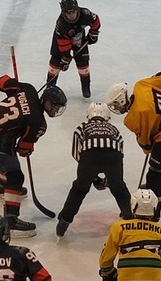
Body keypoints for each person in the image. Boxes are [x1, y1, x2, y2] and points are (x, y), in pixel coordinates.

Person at [0, 74, 68, 236]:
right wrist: (28, 149)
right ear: (45, 101)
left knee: (4, 162)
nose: (54, 110)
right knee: (16, 176)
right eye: (53, 106)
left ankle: (2, 187)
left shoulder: (28, 89)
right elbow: (23, 149)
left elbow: (0, 82)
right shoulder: (38, 122)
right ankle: (11, 221)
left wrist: (15, 86)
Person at [106, 71, 161, 207]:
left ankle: (151, 207)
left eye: (116, 104)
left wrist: (151, 150)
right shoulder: (141, 85)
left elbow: (146, 144)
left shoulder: (132, 119)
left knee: (154, 171)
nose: (116, 108)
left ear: (122, 99)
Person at [55, 102, 132, 238]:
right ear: (107, 116)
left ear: (89, 115)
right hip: (113, 156)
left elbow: (76, 153)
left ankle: (64, 221)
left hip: (89, 155)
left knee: (79, 189)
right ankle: (130, 216)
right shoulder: (113, 128)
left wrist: (93, 177)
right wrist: (110, 179)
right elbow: (120, 149)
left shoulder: (82, 127)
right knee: (119, 188)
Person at [46, 0, 102, 98]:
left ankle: (86, 88)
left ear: (77, 9)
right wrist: (66, 58)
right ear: (63, 13)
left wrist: (93, 33)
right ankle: (49, 88)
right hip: (60, 40)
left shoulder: (85, 14)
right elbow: (63, 45)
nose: (71, 15)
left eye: (73, 11)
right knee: (55, 62)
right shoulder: (61, 25)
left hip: (78, 38)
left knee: (83, 62)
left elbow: (96, 21)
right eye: (68, 13)